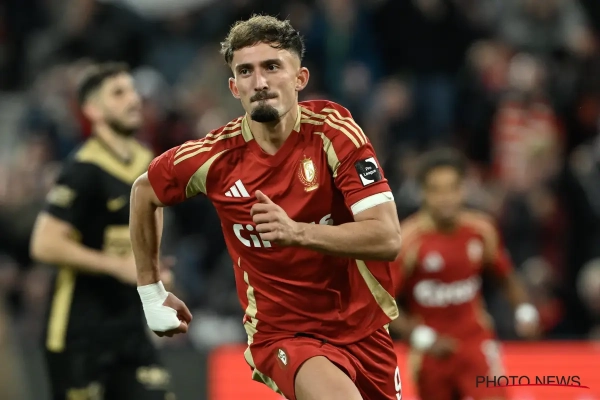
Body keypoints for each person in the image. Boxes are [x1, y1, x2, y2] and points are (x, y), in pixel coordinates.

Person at [130, 15, 404, 400]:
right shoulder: (214, 157)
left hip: (364, 327)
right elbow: (144, 192)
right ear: (234, 87)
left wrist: (298, 232)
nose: (259, 82)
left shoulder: (334, 133)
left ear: (300, 78)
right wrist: (150, 292)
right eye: (246, 71)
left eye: (272, 67)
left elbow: (387, 237)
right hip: (284, 334)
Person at [30, 63, 174, 400]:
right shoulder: (83, 169)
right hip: (79, 330)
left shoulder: (148, 162)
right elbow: (44, 243)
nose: (133, 99)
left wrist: (154, 270)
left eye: (133, 90)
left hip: (130, 327)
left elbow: (148, 233)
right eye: (119, 93)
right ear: (92, 110)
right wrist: (117, 266)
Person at [390, 148, 540, 400]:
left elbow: (505, 275)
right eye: (436, 190)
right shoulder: (408, 241)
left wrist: (524, 309)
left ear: (463, 189)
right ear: (423, 192)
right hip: (431, 352)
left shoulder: (481, 230)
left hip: (475, 343)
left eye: (452, 188)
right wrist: (419, 336)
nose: (445, 198)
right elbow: (383, 302)